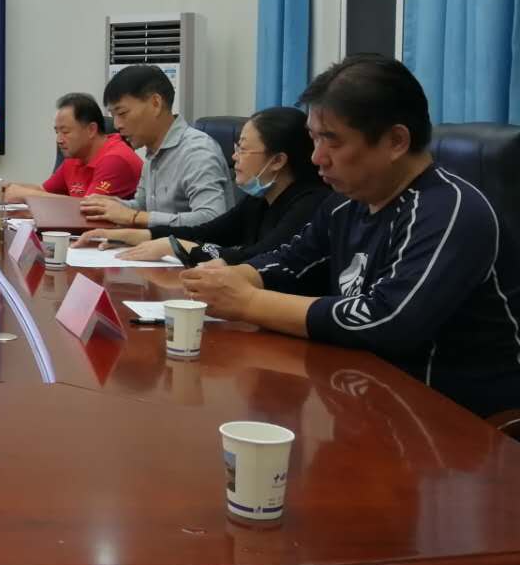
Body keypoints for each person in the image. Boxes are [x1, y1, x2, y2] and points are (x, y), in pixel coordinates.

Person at [180, 54, 520, 418]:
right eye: (313, 139)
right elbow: (292, 260)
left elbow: (387, 320)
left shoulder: (450, 210)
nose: (316, 158)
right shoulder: (345, 203)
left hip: (454, 419)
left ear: (396, 141)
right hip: (367, 397)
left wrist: (246, 301)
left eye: (332, 141)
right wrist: (234, 277)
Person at [78, 106, 329, 264]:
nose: (234, 157)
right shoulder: (259, 199)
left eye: (243, 149)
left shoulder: (310, 205)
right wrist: (134, 236)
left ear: (277, 161)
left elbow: (257, 258)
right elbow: (208, 231)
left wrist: (178, 248)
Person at [80, 64, 232, 229]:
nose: (117, 125)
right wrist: (112, 205)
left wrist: (134, 216)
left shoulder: (197, 151)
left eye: (122, 113)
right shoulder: (153, 152)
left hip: (195, 246)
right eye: (113, 116)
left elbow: (211, 218)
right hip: (159, 244)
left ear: (155, 104)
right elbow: (143, 207)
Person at [4, 92, 141, 202]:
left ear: (91, 130)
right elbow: (44, 191)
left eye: (65, 132)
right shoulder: (75, 157)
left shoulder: (116, 159)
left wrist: (26, 195)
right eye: (57, 132)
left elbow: (88, 211)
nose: (59, 140)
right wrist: (8, 188)